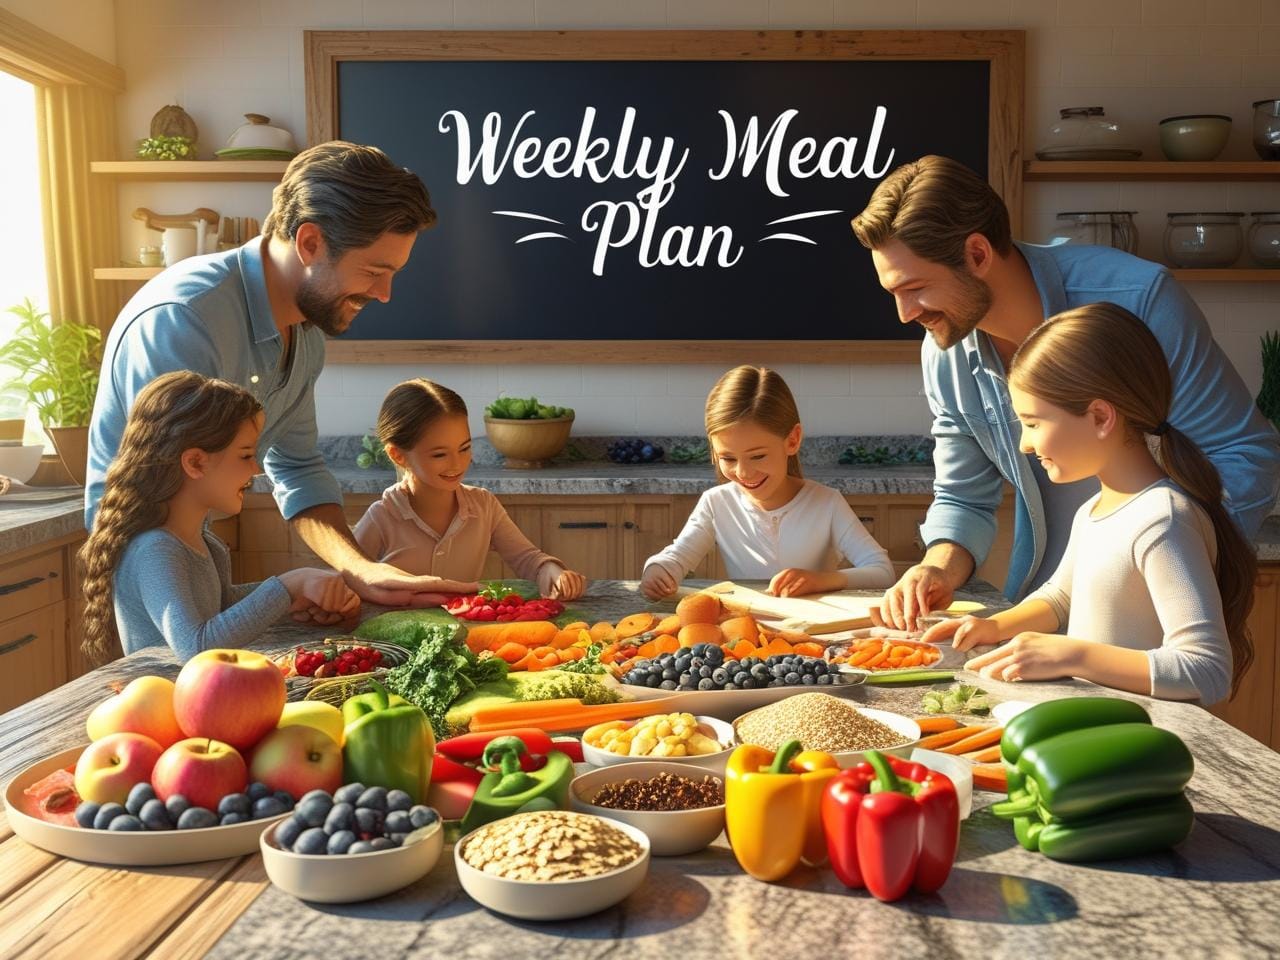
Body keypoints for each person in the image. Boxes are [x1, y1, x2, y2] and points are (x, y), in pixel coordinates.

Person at [851, 154, 1280, 629]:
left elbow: (1246, 454)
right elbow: (964, 498)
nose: (905, 314)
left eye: (914, 287)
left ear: (977, 254)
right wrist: (935, 568)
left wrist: (1173, 564)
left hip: (1154, 622)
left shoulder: (1140, 300)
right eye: (893, 293)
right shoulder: (945, 350)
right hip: (1040, 611)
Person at [86, 141, 478, 608]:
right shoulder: (187, 318)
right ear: (310, 243)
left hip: (197, 567)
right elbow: (157, 494)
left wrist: (361, 570)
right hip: (146, 575)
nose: (384, 293)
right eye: (374, 270)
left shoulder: (306, 335)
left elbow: (298, 468)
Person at [921, 304, 1255, 705]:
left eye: (1032, 423)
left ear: (1100, 417)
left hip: (1147, 739)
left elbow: (1207, 671)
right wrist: (991, 627)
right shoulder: (1094, 510)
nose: (1024, 444)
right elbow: (1060, 598)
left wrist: (1074, 655)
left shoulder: (1162, 521)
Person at [79, 372, 360, 664]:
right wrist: (288, 586)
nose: (256, 469)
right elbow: (197, 647)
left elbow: (222, 609)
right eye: (245, 455)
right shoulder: (156, 549)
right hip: (166, 693)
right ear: (196, 462)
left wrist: (294, 599)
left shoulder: (205, 540)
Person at [640, 365, 894, 600]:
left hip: (815, 627)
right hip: (749, 626)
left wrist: (822, 580)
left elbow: (882, 571)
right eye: (728, 458)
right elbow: (677, 557)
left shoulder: (827, 503)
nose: (743, 472)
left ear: (792, 440)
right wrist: (659, 570)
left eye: (758, 456)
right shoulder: (716, 503)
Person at [354, 379, 586, 599]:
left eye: (464, 448)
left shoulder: (484, 505)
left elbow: (527, 559)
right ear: (397, 454)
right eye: (439, 454)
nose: (457, 464)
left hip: (465, 627)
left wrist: (551, 571)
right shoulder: (381, 516)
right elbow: (348, 577)